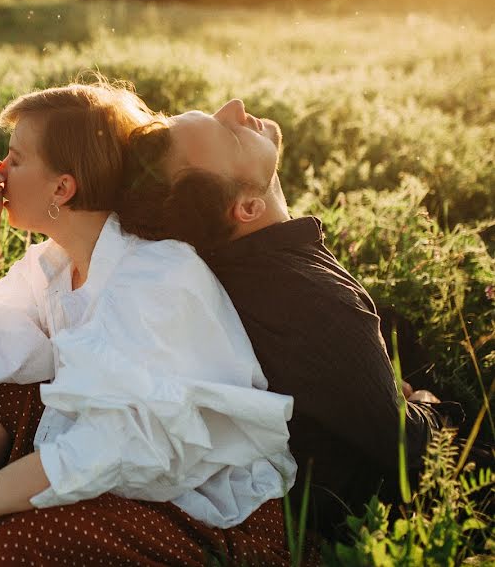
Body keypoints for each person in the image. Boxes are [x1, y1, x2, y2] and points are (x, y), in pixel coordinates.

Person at [0, 82, 304, 567]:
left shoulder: (155, 274)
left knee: (17, 542)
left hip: (206, 509)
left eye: (14, 159)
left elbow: (109, 448)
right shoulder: (54, 265)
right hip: (133, 470)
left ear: (62, 188)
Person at [119, 98, 461, 540]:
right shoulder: (315, 304)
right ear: (246, 208)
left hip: (324, 447)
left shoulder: (225, 265)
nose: (235, 108)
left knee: (396, 327)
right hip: (363, 512)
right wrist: (430, 404)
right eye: (229, 134)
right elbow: (403, 446)